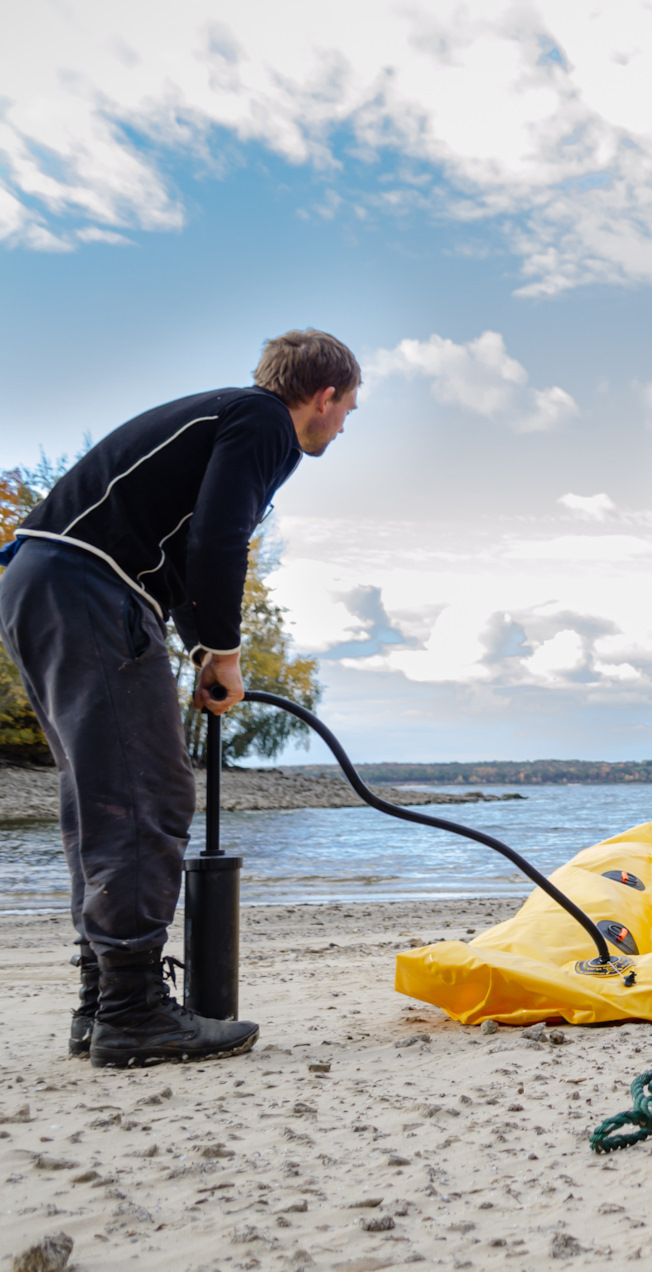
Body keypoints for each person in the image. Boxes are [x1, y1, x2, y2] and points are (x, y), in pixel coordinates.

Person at [0, 330, 360, 1068]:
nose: (347, 424)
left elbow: (194, 540)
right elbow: (222, 540)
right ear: (323, 396)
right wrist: (225, 651)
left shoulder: (220, 417)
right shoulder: (262, 419)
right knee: (144, 797)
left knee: (99, 798)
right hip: (87, 588)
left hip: (45, 584)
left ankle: (102, 1006)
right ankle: (132, 1015)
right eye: (350, 407)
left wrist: (204, 650)